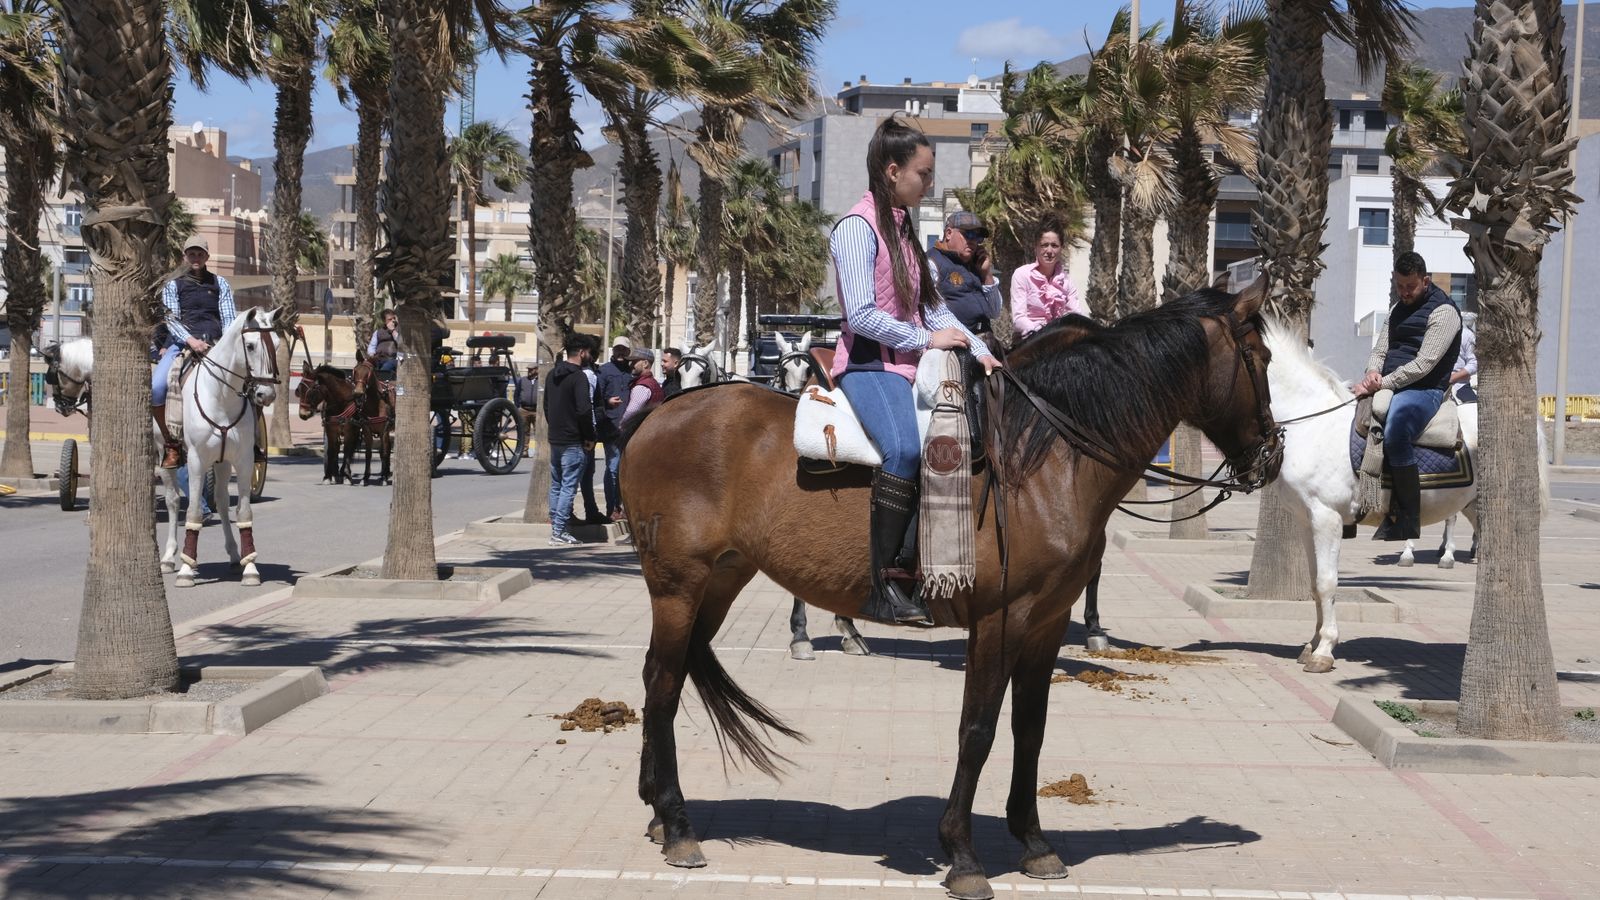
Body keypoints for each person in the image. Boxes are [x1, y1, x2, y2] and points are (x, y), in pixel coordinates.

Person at [830, 114, 1001, 626]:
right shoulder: (855, 229)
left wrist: (980, 349)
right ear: (891, 171)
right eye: (923, 174)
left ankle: (918, 570)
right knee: (905, 448)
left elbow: (935, 309)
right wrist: (928, 340)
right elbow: (861, 313)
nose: (928, 184)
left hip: (910, 366)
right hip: (866, 364)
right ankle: (880, 585)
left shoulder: (907, 233)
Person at [1355, 251, 1462, 541]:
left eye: (1410, 287)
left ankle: (1407, 518)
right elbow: (1380, 348)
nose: (1404, 292)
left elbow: (1424, 364)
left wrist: (1383, 383)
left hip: (1424, 389)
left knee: (1396, 430)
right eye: (1400, 286)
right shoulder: (1396, 309)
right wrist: (1372, 373)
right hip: (1389, 383)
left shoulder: (1444, 312)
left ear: (1425, 281)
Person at [153, 236, 237, 468]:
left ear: (207, 257)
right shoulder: (173, 285)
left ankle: (253, 443)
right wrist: (191, 341)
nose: (196, 258)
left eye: (200, 254)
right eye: (192, 254)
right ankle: (172, 445)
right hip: (182, 345)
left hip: (217, 345)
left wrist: (222, 344)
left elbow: (229, 318)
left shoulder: (221, 283)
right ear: (184, 256)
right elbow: (171, 318)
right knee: (156, 388)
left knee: (248, 384)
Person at [543, 334, 597, 546]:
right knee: (568, 486)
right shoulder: (579, 377)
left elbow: (547, 406)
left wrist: (555, 427)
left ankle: (557, 528)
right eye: (589, 353)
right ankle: (559, 531)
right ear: (582, 352)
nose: (590, 357)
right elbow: (584, 410)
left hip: (555, 437)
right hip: (574, 440)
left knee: (557, 484)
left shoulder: (551, 375)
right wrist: (589, 436)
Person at [926, 210, 1002, 336]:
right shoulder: (931, 262)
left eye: (978, 237)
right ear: (949, 233)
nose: (973, 241)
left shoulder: (977, 265)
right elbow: (931, 315)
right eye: (968, 234)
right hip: (954, 343)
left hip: (986, 339)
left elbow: (995, 312)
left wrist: (986, 274)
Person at [1010, 219, 1087, 339]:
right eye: (1044, 245)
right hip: (1030, 342)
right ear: (1036, 247)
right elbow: (1019, 319)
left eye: (1054, 245)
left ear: (1061, 248)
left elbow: (1075, 316)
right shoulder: (1022, 275)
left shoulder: (1067, 282)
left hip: (1059, 341)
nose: (1049, 251)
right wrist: (1042, 333)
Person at [595, 336, 634, 521]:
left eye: (623, 350)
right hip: (611, 428)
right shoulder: (603, 371)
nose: (620, 353)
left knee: (625, 471)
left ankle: (624, 508)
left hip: (630, 430)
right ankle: (612, 507)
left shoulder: (632, 372)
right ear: (613, 351)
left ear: (628, 352)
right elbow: (595, 398)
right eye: (617, 349)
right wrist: (607, 402)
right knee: (612, 468)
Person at [621, 347, 664, 419]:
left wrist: (621, 426)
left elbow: (630, 413)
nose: (631, 365)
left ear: (645, 363)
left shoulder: (642, 387)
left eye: (634, 362)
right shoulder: (654, 383)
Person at [1449, 311, 1478, 402]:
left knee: (1472, 410)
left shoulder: (1466, 335)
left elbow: (1474, 364)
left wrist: (1451, 378)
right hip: (1432, 388)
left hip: (1460, 385)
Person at [367, 309, 399, 375]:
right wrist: (371, 353)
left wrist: (393, 330)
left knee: (386, 368)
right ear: (384, 321)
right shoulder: (378, 332)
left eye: (394, 318)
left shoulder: (398, 330)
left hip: (393, 359)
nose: (393, 320)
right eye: (390, 319)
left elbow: (400, 341)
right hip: (379, 358)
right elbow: (372, 345)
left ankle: (381, 378)